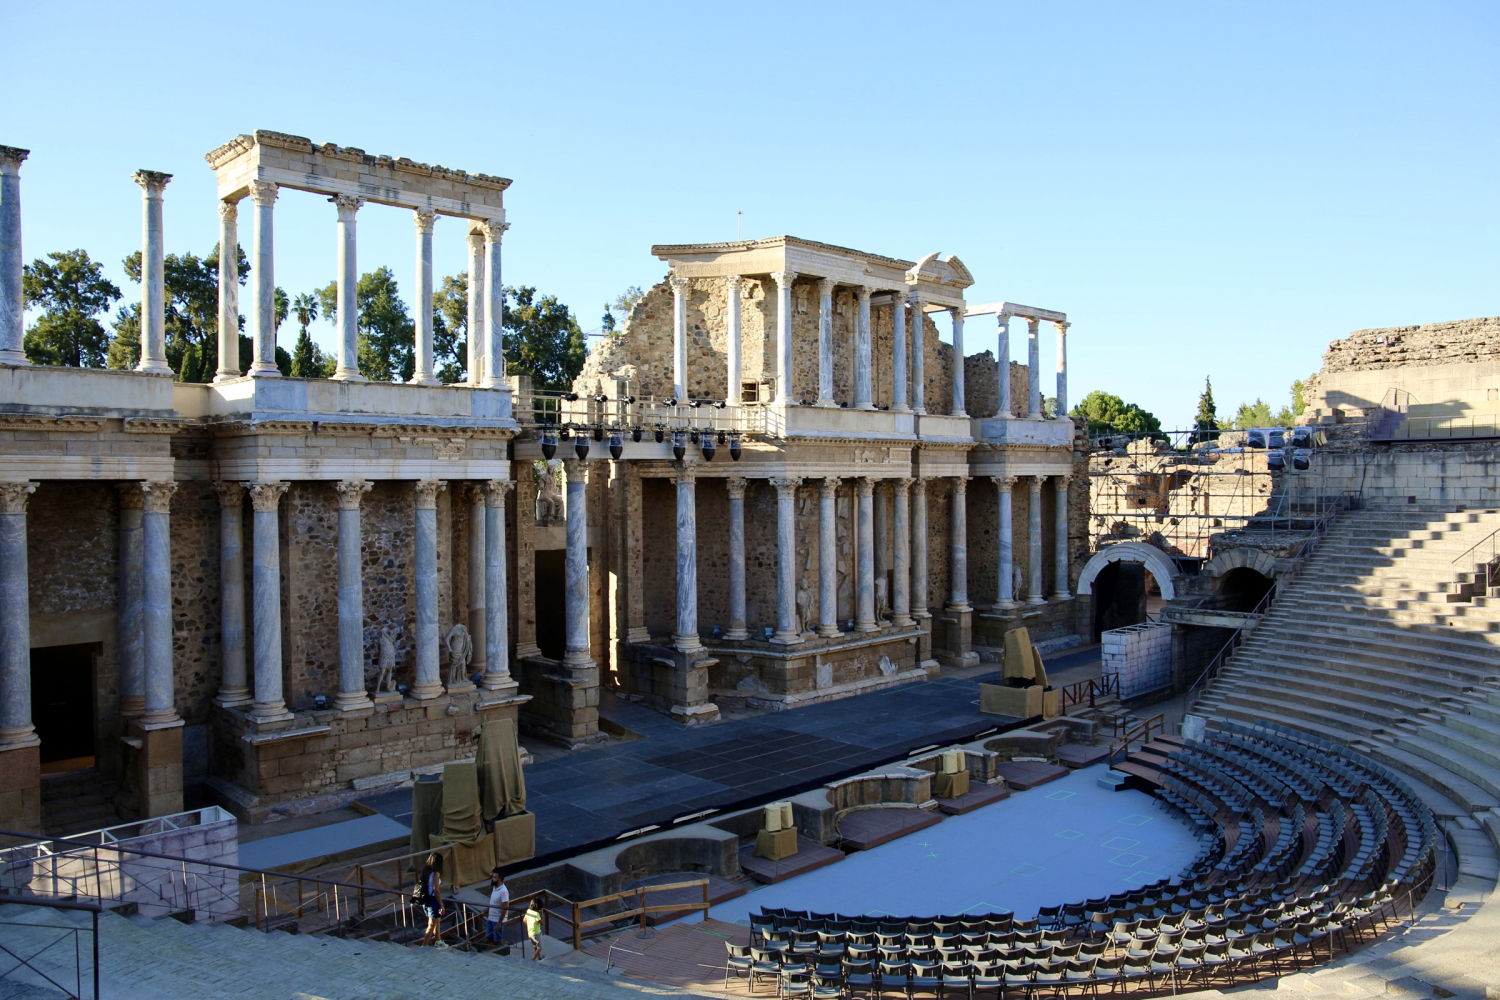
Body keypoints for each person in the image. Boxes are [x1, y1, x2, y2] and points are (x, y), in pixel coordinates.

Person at [418, 852, 445, 947]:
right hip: (433, 900)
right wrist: (441, 905)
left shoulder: (425, 871)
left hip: (425, 900)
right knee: (431, 924)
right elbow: (436, 890)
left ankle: (438, 941)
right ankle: (423, 946)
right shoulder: (436, 874)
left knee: (436, 921)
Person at [485, 868, 509, 945]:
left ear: (500, 879)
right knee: (489, 936)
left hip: (497, 919)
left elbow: (505, 907)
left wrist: (499, 923)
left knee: (497, 939)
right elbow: (493, 901)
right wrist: (488, 909)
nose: (492, 879)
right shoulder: (494, 887)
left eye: (495, 877)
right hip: (491, 917)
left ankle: (501, 952)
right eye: (493, 877)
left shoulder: (503, 891)